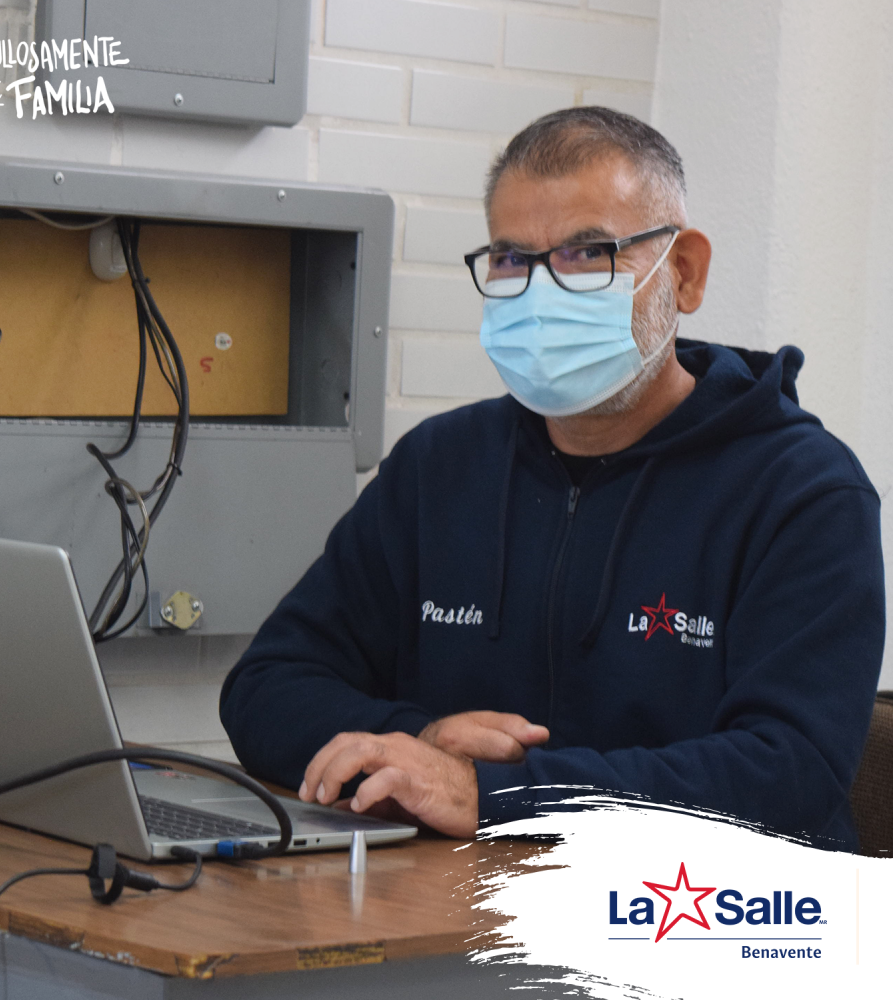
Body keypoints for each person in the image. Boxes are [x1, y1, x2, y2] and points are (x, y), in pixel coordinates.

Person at [219, 108, 884, 850]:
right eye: (511, 259)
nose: (543, 292)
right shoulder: (439, 467)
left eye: (587, 252)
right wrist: (418, 740)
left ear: (684, 273)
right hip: (454, 901)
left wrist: (501, 797)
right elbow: (265, 688)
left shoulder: (802, 490)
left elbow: (788, 774)